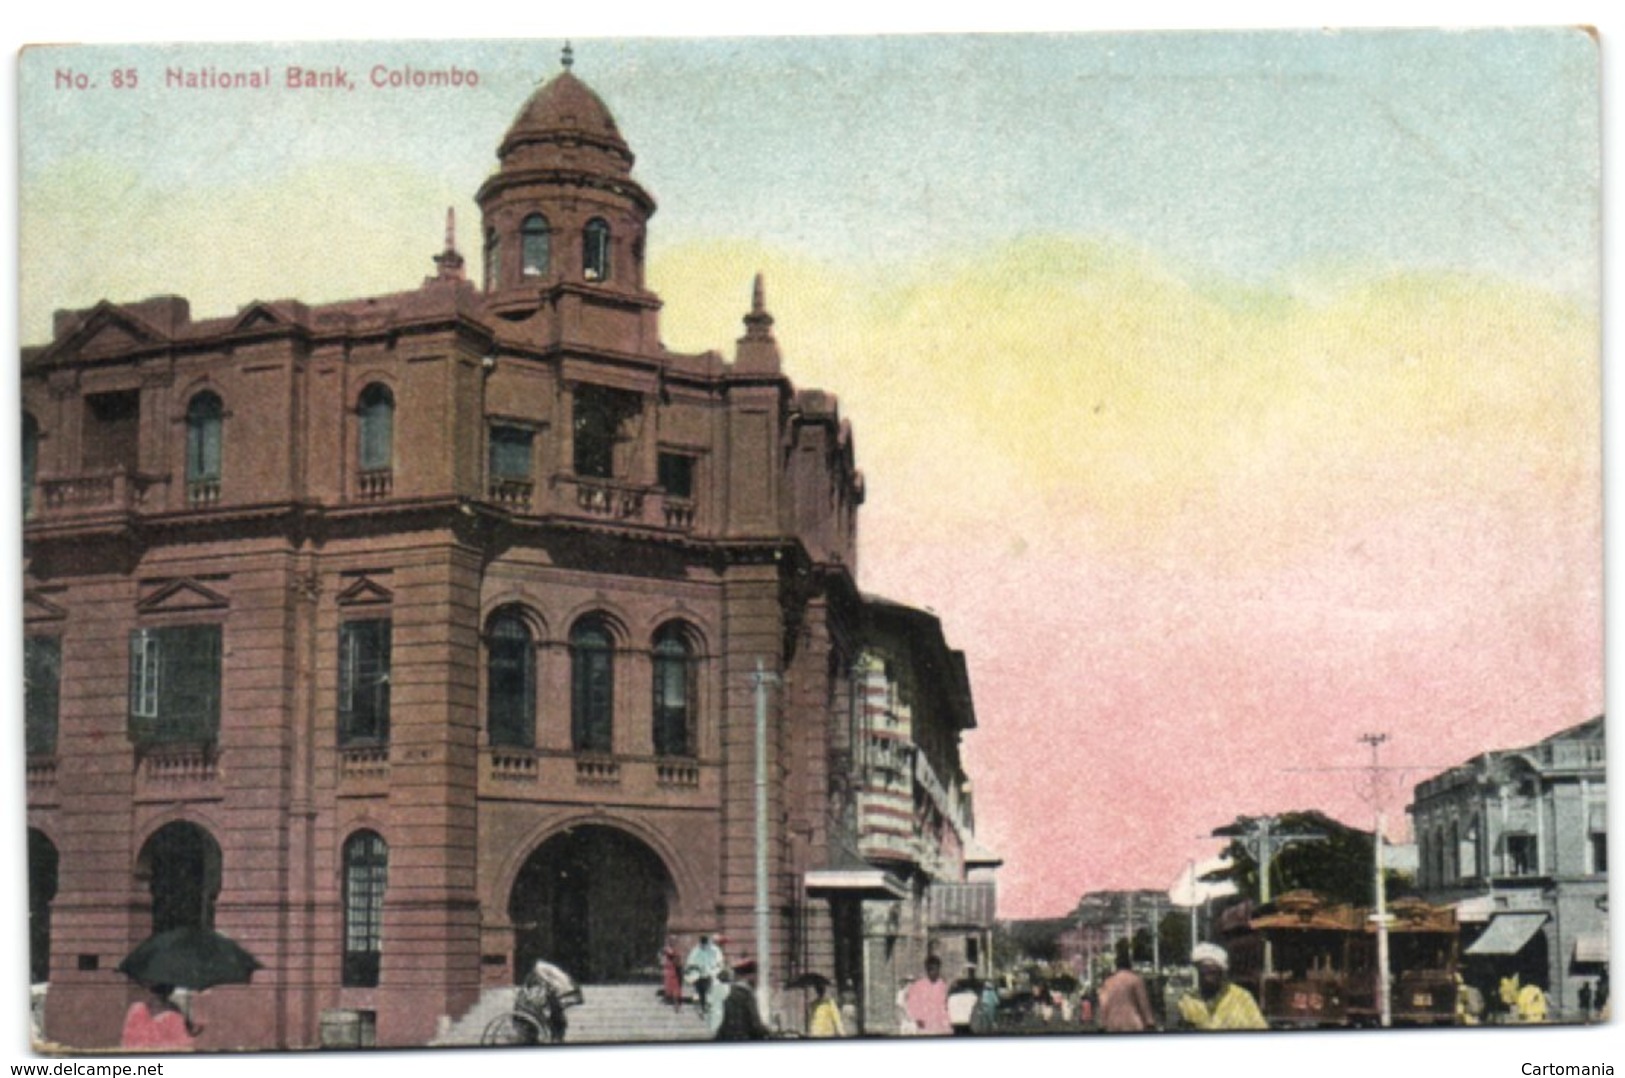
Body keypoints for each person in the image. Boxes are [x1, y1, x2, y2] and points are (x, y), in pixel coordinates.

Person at [1177, 943, 1266, 1031]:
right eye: (1204, 969)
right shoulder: (1187, 1001)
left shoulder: (1242, 998)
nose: (1208, 975)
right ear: (1198, 971)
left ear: (1222, 972)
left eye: (1213, 971)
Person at [121, 984, 200, 1050]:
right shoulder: (174, 1016)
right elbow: (182, 1047)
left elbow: (127, 1042)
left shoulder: (136, 1010)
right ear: (171, 990)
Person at [1099, 951, 1157, 1032]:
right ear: (1130, 965)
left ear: (1116, 965)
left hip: (1113, 1024)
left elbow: (1104, 1004)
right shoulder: (1135, 980)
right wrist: (1150, 1022)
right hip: (1132, 1023)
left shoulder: (1108, 982)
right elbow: (1143, 1002)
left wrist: (1103, 1024)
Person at [715, 959, 771, 1041]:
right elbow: (755, 1025)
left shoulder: (728, 994)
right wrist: (768, 1032)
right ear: (748, 976)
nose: (757, 979)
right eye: (755, 975)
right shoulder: (746, 995)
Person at [903, 956, 953, 1035]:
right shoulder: (918, 986)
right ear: (927, 970)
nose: (935, 972)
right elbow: (911, 1004)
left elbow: (946, 1005)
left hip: (941, 1026)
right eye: (932, 969)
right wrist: (917, 1018)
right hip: (925, 1026)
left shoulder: (943, 985)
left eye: (937, 969)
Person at [685, 934, 726, 1027]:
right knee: (700, 993)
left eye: (705, 944)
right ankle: (701, 1009)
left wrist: (715, 971)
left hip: (710, 975)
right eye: (702, 944)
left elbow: (720, 963)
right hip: (698, 976)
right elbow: (690, 963)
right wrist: (695, 968)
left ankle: (707, 1010)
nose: (704, 946)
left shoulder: (714, 950)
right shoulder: (695, 951)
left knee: (709, 992)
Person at [661, 936, 683, 1011]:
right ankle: (674, 1001)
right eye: (673, 941)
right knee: (672, 986)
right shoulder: (669, 949)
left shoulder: (671, 949)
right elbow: (672, 954)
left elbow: (674, 955)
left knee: (674, 986)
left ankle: (675, 1002)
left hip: (673, 969)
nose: (674, 942)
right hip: (671, 969)